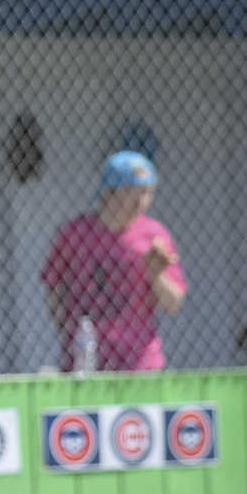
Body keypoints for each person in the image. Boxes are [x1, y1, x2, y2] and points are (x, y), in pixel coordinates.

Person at [42, 150, 187, 372]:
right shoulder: (74, 235)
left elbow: (173, 304)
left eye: (147, 192)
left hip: (140, 363)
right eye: (132, 191)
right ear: (109, 192)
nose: (141, 201)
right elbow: (53, 287)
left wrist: (156, 273)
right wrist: (68, 330)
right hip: (86, 359)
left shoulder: (154, 236)